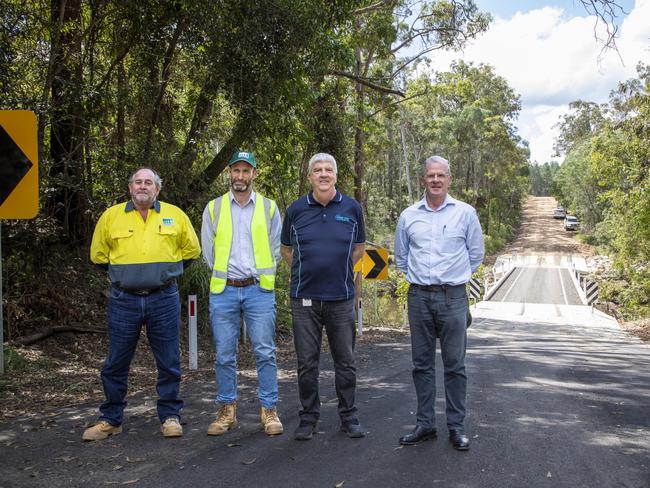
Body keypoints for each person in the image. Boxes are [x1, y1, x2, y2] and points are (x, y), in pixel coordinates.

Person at [83, 168, 200, 441]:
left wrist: (163, 275)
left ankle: (170, 416)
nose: (143, 186)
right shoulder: (111, 217)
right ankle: (111, 419)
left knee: (169, 360)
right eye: (138, 182)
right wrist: (127, 277)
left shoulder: (175, 215)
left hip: (164, 297)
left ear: (157, 189)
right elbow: (99, 257)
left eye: (148, 182)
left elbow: (191, 252)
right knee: (116, 361)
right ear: (130, 187)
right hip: (124, 300)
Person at [394, 155, 484, 451]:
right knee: (421, 365)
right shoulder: (409, 216)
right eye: (430, 175)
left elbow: (476, 254)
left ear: (449, 179)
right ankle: (425, 424)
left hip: (453, 297)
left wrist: (453, 278)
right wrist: (420, 279)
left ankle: (456, 427)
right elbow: (402, 257)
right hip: (419, 296)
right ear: (424, 179)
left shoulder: (465, 213)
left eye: (440, 175)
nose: (435, 180)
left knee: (455, 365)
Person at [281, 152, 366, 440]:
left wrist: (338, 270)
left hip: (341, 298)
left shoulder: (353, 209)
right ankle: (308, 418)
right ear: (309, 177)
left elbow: (359, 248)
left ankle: (349, 416)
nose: (323, 174)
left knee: (346, 361)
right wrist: (310, 270)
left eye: (328, 169)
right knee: (307, 363)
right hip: (304, 299)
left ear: (336, 176)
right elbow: (287, 251)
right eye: (317, 170)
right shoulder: (295, 210)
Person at [201, 150, 283, 436]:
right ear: (229, 173)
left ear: (254, 175)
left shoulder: (269, 208)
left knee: (265, 351)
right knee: (224, 354)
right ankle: (226, 412)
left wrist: (263, 277)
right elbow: (208, 251)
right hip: (224, 291)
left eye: (246, 171)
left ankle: (269, 411)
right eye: (236, 170)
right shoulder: (214, 208)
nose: (240, 176)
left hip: (259, 290)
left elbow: (276, 247)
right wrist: (225, 275)